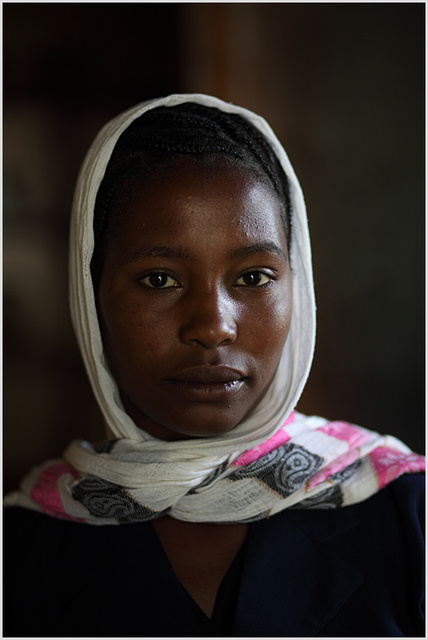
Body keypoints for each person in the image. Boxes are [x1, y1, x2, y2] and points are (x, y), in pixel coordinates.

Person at [4, 93, 425, 637]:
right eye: (160, 279)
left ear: (298, 287)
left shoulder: (409, 516)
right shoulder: (20, 551)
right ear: (91, 297)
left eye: (254, 277)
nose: (213, 325)